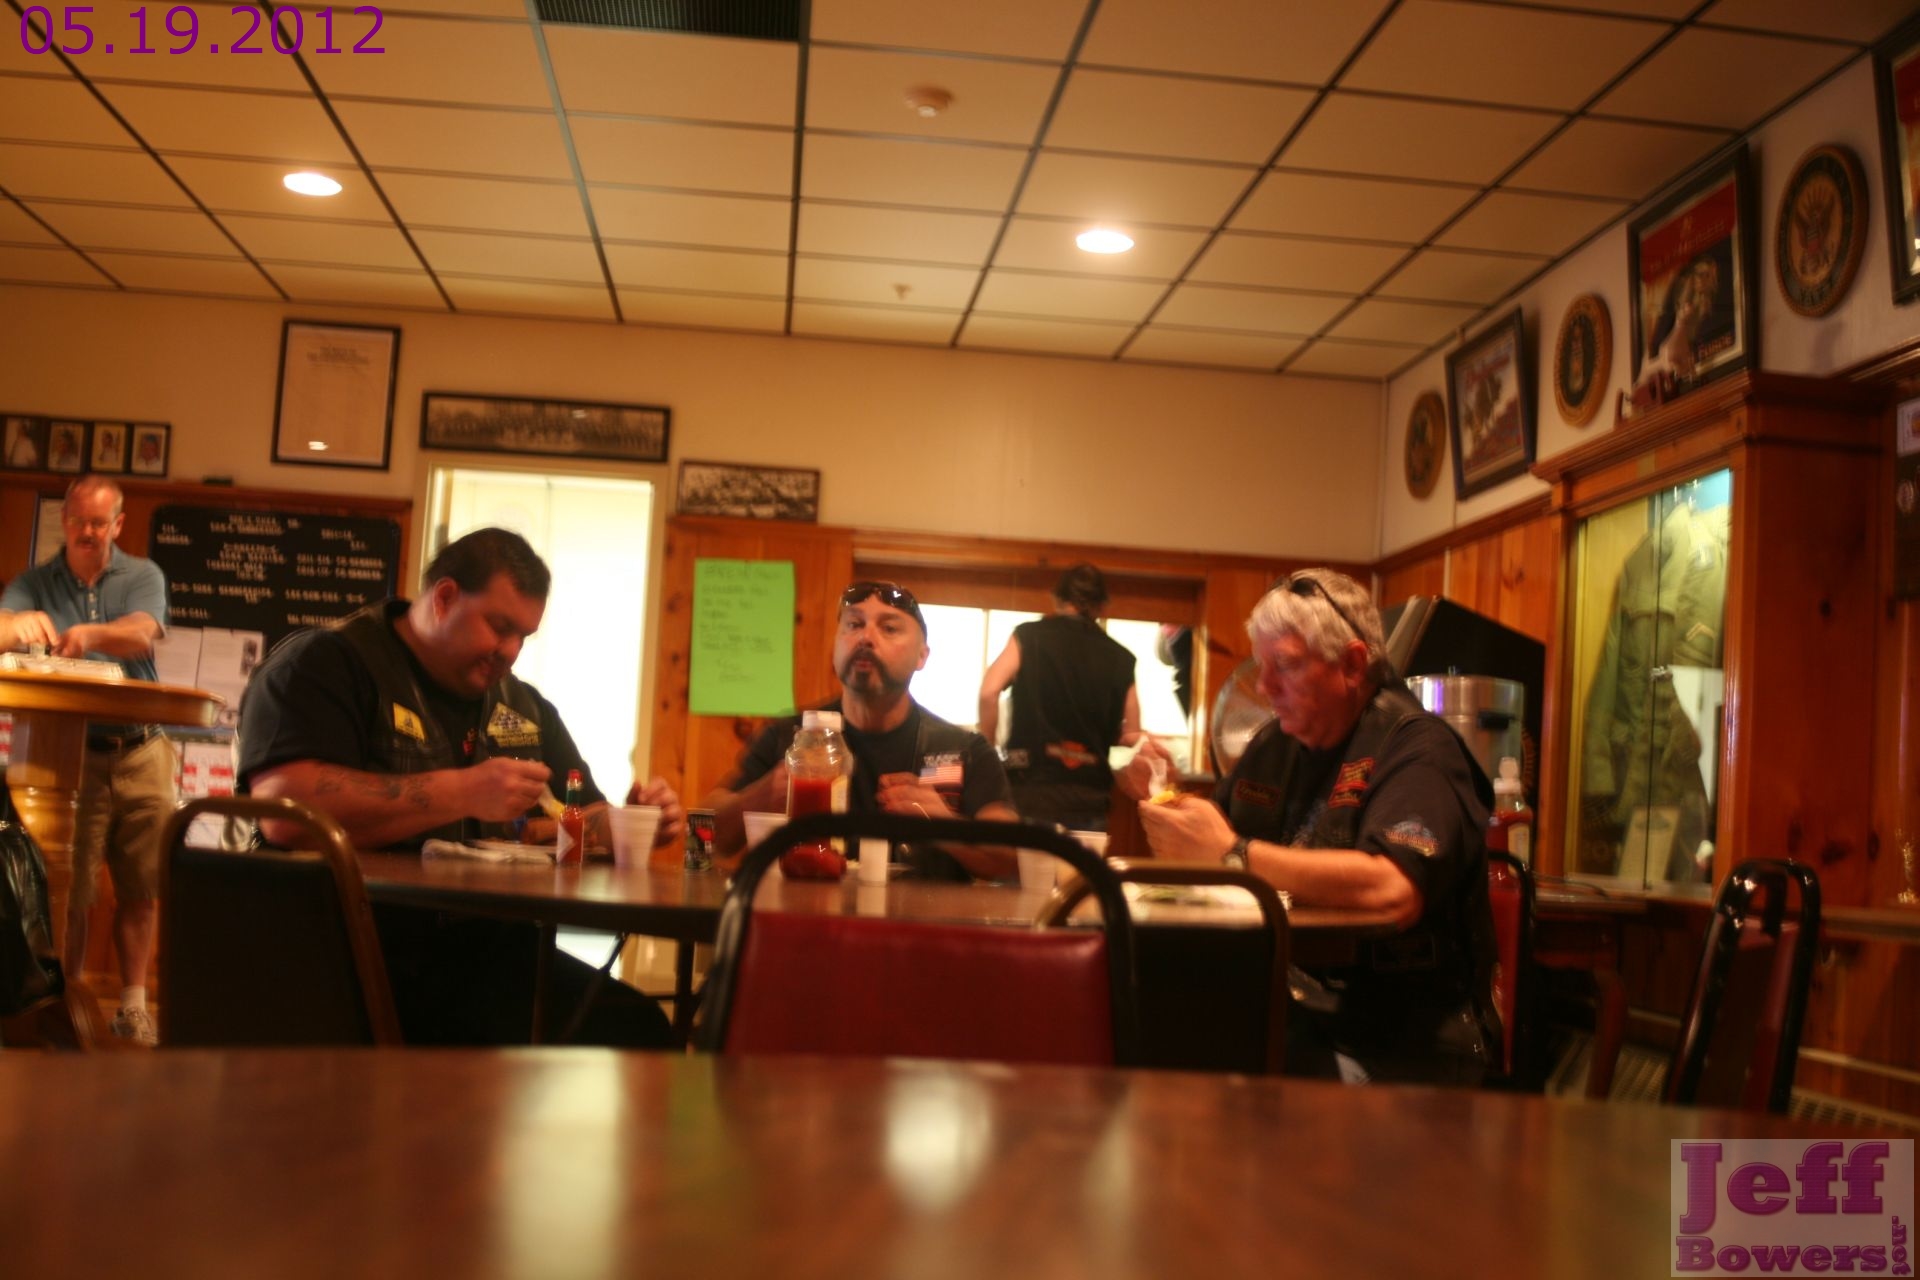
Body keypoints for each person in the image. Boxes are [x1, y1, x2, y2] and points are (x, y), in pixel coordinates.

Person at [236, 527, 682, 1048]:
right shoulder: (327, 664)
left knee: (642, 1030)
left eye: (524, 637)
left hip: (491, 958)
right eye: (500, 627)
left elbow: (582, 814)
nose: (511, 651)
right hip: (347, 958)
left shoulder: (524, 706)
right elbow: (286, 812)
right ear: (445, 597)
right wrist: (463, 791)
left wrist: (632, 822)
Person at [1136, 569, 1499, 1087]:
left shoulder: (1419, 749)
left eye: (1285, 665)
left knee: (1206, 1070)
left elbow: (1394, 888)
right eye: (1260, 666)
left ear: (1352, 664)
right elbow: (1214, 838)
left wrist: (1235, 855)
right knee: (1149, 1021)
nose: (1265, 687)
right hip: (1298, 1011)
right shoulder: (1273, 745)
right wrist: (1164, 798)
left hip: (1400, 1048)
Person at [0, 476, 174, 1046]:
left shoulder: (143, 575)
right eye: (78, 521)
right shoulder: (34, 582)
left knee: (142, 886)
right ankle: (62, 1006)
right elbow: (1, 628)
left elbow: (142, 633)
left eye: (99, 523)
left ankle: (132, 1006)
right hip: (67, 760)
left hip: (142, 750)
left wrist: (88, 635)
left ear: (118, 524)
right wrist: (13, 626)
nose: (87, 532)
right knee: (68, 892)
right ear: (65, 521)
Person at [708, 579, 1018, 881]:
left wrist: (942, 824)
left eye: (889, 628)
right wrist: (759, 796)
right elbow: (707, 831)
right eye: (854, 625)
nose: (866, 638)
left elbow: (1009, 856)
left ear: (922, 656)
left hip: (923, 916)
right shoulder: (788, 738)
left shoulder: (965, 749)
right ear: (835, 646)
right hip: (804, 913)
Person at [977, 563, 1139, 831]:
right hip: (1089, 794)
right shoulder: (1122, 658)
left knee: (1023, 859)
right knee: (1079, 860)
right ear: (1101, 606)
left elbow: (988, 692)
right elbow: (1132, 732)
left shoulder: (1029, 636)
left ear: (1058, 599)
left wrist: (988, 751)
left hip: (1030, 787)